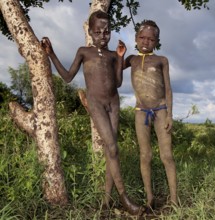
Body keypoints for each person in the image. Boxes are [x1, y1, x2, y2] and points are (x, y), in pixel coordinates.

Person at [41, 10, 143, 215]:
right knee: (113, 148)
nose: (103, 36)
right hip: (96, 103)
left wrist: (121, 57)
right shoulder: (83, 52)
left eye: (107, 32)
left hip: (113, 103)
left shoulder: (114, 55)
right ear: (90, 32)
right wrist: (51, 54)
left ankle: (105, 203)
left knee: (110, 151)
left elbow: (119, 83)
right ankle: (124, 198)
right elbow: (68, 77)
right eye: (98, 32)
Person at [123, 20, 178, 211]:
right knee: (145, 155)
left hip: (161, 110)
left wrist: (170, 115)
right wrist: (119, 55)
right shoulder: (131, 59)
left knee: (167, 156)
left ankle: (174, 199)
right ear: (136, 38)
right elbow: (113, 71)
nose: (146, 42)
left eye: (151, 39)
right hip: (140, 112)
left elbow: (169, 90)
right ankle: (150, 198)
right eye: (142, 37)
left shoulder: (161, 60)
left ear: (157, 41)